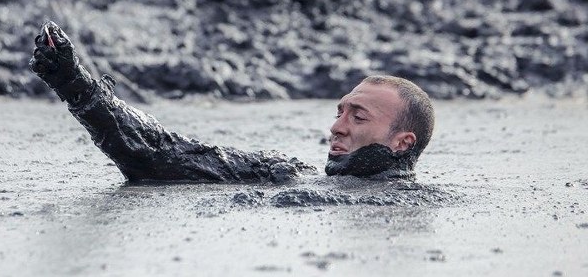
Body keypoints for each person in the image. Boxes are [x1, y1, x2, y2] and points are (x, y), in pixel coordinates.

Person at [29, 21, 435, 183]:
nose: (336, 126)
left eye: (358, 116)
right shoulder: (288, 174)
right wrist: (73, 83)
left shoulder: (402, 208)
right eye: (339, 111)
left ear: (403, 142)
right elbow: (160, 156)